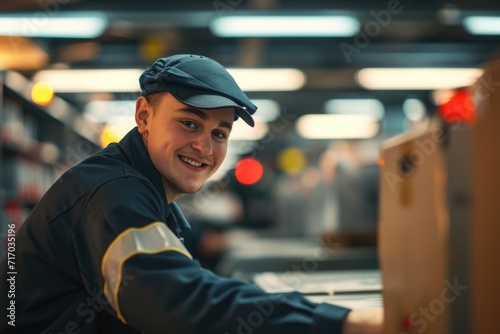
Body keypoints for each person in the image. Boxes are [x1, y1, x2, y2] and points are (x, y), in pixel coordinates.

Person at [0, 54, 383, 333]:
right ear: (144, 117)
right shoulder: (112, 194)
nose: (204, 146)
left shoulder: (141, 188)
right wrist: (344, 321)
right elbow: (174, 301)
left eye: (219, 133)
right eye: (189, 123)